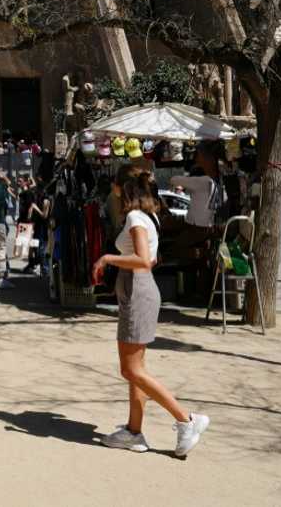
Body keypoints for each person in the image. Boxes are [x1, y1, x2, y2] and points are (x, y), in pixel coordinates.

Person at [92, 172, 210, 456]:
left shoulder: (135, 218)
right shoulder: (148, 217)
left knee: (130, 369)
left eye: (116, 186)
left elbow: (143, 260)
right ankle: (134, 431)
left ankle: (186, 420)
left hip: (138, 292)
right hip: (139, 291)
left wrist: (107, 258)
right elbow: (153, 259)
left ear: (124, 189)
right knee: (137, 370)